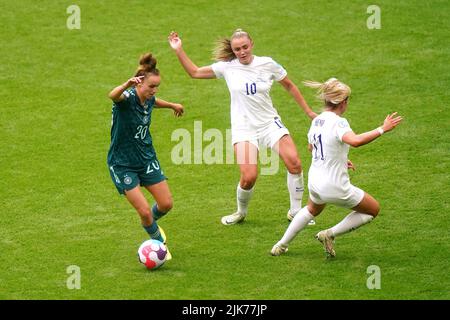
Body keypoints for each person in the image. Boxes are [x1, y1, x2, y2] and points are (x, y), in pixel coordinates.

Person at [168, 29, 316, 226]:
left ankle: (296, 211)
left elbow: (289, 85)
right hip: (244, 129)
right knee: (249, 177)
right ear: (233, 50)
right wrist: (179, 50)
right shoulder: (227, 67)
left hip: (269, 123)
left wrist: (308, 112)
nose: (242, 52)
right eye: (237, 49)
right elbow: (194, 72)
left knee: (295, 163)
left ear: (251, 44)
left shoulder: (267, 63)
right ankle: (240, 212)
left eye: (245, 47)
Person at [271, 77, 403, 258]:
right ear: (343, 102)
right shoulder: (339, 122)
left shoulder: (316, 121)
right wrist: (382, 128)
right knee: (373, 210)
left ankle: (281, 245)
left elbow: (313, 148)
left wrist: (340, 159)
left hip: (315, 182)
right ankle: (329, 234)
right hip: (334, 186)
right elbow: (355, 141)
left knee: (311, 210)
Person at [107, 52, 184, 260]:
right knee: (144, 212)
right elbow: (113, 95)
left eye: (156, 86)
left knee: (166, 204)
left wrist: (172, 105)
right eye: (151, 86)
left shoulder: (148, 99)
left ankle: (150, 222)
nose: (154, 90)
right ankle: (159, 243)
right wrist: (126, 84)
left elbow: (154, 102)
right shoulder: (126, 99)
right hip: (123, 164)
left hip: (146, 159)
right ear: (139, 84)